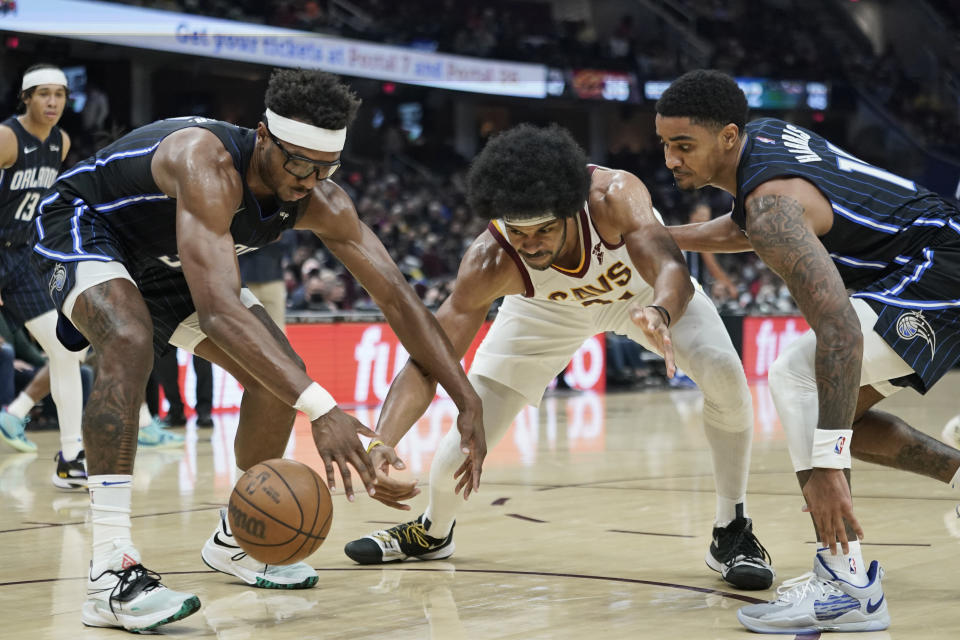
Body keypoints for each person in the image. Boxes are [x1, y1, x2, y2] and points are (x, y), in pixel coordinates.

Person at [31, 68, 484, 633]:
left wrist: (465, 397)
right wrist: (323, 411)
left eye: (326, 168)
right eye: (299, 163)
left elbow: (398, 298)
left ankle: (235, 537)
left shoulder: (321, 198)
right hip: (85, 226)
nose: (309, 180)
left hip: (171, 256)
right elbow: (220, 310)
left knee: (280, 375)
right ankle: (109, 571)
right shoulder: (205, 161)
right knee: (128, 339)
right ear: (264, 136)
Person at [344, 124, 775, 591]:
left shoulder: (614, 195)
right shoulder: (492, 261)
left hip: (643, 294)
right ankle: (432, 531)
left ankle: (731, 528)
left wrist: (661, 312)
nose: (531, 244)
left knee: (727, 376)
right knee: (470, 434)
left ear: (572, 209)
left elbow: (672, 268)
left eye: (545, 229)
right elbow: (428, 359)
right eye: (519, 232)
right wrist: (379, 441)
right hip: (543, 310)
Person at [656, 69, 960, 633]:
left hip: (939, 272)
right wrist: (665, 237)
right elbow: (749, 225)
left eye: (683, 145)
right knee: (834, 407)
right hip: (925, 259)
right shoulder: (765, 139)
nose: (671, 159)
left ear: (726, 137)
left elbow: (839, 329)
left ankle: (845, 586)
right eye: (665, 145)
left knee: (797, 375)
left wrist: (825, 467)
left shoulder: (771, 207)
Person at [0, 64, 87, 489]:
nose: (53, 102)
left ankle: (71, 457)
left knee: (66, 350)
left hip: (23, 259)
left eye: (60, 94)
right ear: (26, 98)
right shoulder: (6, 137)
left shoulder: (61, 142)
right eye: (43, 94)